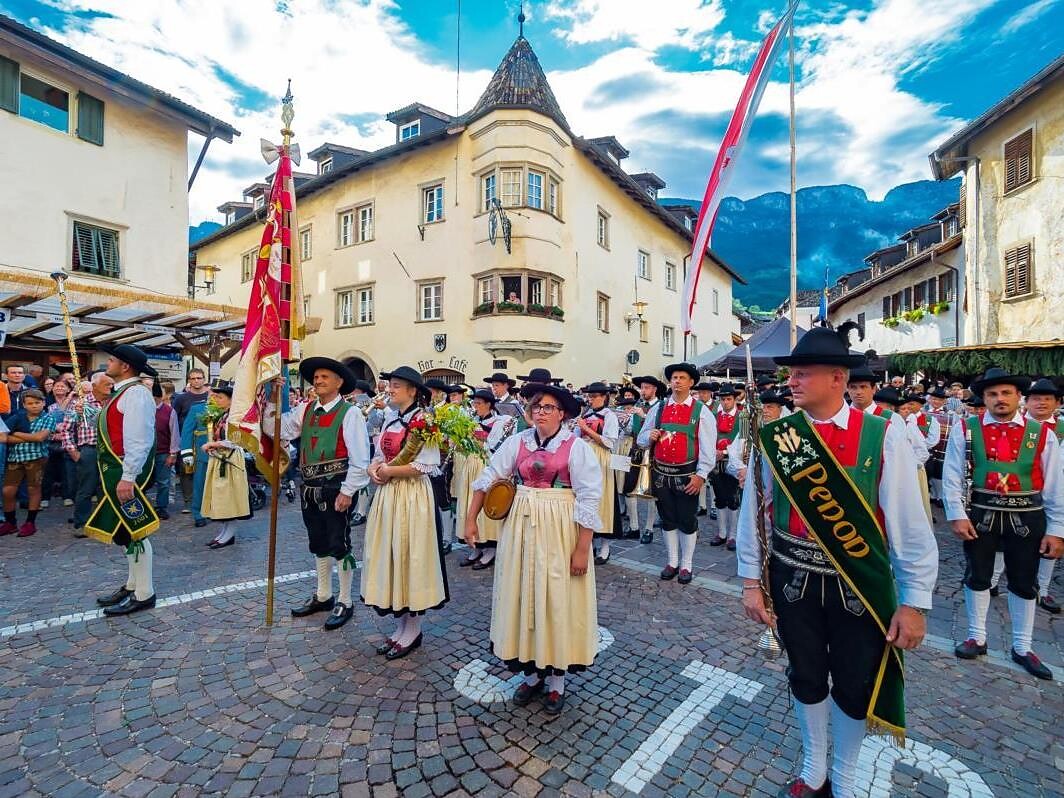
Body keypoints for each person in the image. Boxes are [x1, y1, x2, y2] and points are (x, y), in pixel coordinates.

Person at [737, 327, 938, 798]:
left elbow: (910, 524)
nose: (792, 381)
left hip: (857, 585)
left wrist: (915, 603)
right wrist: (750, 582)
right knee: (805, 676)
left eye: (803, 373)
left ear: (837, 378)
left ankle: (844, 775)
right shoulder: (779, 436)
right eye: (792, 374)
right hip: (792, 582)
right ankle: (814, 769)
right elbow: (755, 511)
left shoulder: (883, 435)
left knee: (853, 683)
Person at [464, 381, 602, 715]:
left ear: (563, 414)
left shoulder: (577, 447)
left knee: (556, 595)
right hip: (521, 528)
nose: (540, 412)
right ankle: (531, 672)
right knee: (524, 592)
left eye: (548, 407)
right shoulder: (517, 442)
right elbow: (489, 477)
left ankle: (556, 680)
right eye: (536, 407)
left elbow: (589, 497)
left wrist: (583, 548)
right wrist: (470, 520)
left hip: (560, 527)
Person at [946, 368, 1064, 680]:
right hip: (981, 515)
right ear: (984, 398)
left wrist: (1057, 529)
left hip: (1028, 516)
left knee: (1025, 582)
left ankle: (1023, 647)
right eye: (993, 394)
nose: (1000, 399)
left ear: (1018, 396)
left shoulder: (1042, 434)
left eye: (1006, 393)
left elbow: (1055, 485)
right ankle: (977, 637)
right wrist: (956, 513)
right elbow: (952, 474)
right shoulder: (966, 428)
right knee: (978, 575)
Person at [362, 366, 447, 659]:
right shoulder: (391, 419)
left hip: (412, 496)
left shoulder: (424, 421)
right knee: (393, 557)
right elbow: (378, 454)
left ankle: (414, 629)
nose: (391, 390)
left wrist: (388, 471)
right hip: (389, 495)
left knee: (410, 556)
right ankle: (401, 626)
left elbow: (427, 464)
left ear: (413, 390)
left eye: (396, 385)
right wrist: (374, 469)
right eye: (390, 385)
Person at [279, 358, 371, 631]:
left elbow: (360, 458)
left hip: (336, 487)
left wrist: (347, 491)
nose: (318, 381)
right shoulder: (305, 410)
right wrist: (270, 397)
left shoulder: (349, 413)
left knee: (339, 544)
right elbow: (279, 428)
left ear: (339, 382)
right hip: (309, 487)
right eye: (316, 377)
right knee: (317, 542)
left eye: (324, 377)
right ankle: (323, 595)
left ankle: (345, 600)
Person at [87, 345, 161, 617]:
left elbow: (138, 440)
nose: (108, 363)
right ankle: (133, 585)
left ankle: (145, 593)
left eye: (113, 360)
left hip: (125, 471)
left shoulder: (137, 394)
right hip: (116, 471)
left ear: (126, 366)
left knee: (136, 528)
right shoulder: (123, 393)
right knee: (126, 531)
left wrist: (129, 477)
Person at [637, 363, 717, 584]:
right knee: (668, 519)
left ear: (691, 383)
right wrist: (649, 436)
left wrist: (701, 475)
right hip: (661, 474)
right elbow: (641, 440)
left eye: (682, 378)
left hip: (688, 475)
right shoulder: (659, 408)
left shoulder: (701, 411)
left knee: (687, 520)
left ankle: (686, 565)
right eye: (674, 377)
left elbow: (708, 448)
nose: (677, 381)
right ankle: (672, 562)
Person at [1020, 378, 1063, 614]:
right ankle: (996, 581)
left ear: (1057, 403)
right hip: (1025, 491)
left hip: (1056, 491)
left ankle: (1043, 589)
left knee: (1052, 539)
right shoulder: (1016, 426)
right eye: (1036, 398)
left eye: (1048, 399)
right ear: (1026, 402)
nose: (1041, 403)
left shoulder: (1062, 428)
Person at [453, 389, 508, 569]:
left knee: (486, 504)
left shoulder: (500, 422)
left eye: (478, 403)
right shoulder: (472, 420)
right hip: (470, 464)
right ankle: (475, 546)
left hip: (486, 465)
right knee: (469, 502)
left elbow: (496, 446)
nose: (475, 407)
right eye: (474, 403)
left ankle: (490, 547)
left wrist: (479, 437)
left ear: (488, 405)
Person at [199, 380, 251, 550]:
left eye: (220, 397)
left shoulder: (234, 417)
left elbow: (235, 441)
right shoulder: (223, 415)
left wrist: (212, 445)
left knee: (230, 499)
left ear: (230, 400)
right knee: (223, 498)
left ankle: (229, 535)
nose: (217, 400)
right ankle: (224, 532)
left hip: (230, 460)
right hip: (221, 459)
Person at [0, 389, 59, 537]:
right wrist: (29, 437)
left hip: (36, 458)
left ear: (44, 403)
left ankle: (30, 522)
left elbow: (40, 437)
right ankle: (10, 522)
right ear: (24, 405)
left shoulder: (48, 418)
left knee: (33, 489)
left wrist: (17, 434)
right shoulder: (17, 417)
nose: (34, 406)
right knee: (8, 491)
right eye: (30, 403)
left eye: (37, 403)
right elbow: (4, 438)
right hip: (15, 458)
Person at [61, 373, 112, 537]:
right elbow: (66, 429)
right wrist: (73, 451)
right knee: (86, 488)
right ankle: (81, 523)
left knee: (107, 488)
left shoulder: (113, 402)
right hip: (89, 450)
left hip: (110, 451)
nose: (111, 387)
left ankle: (105, 522)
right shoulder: (79, 403)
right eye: (107, 384)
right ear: (95, 385)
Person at [575, 382, 619, 564]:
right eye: (589, 397)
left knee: (603, 500)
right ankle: (589, 542)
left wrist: (587, 430)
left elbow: (609, 442)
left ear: (604, 397)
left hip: (600, 459)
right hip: (584, 457)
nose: (590, 400)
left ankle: (605, 547)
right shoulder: (586, 414)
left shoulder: (610, 416)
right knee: (585, 498)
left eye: (594, 397)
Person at [627, 376, 665, 543]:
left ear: (655, 389)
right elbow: (631, 428)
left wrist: (643, 416)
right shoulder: (638, 405)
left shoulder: (661, 406)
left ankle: (648, 529)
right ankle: (634, 527)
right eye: (642, 387)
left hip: (652, 452)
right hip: (635, 449)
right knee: (628, 488)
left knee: (651, 492)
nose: (643, 391)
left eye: (647, 387)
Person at [171, 369, 209, 514]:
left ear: (204, 379)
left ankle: (203, 501)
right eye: (193, 378)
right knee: (186, 470)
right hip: (186, 438)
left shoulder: (210, 396)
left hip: (203, 439)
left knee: (203, 471)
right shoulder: (181, 398)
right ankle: (188, 501)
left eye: (199, 378)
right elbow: (174, 418)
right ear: (189, 380)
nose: (196, 381)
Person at [708, 386, 742, 550]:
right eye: (723, 399)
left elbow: (744, 441)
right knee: (719, 498)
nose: (725, 402)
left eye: (729, 399)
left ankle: (733, 535)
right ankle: (721, 533)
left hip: (733, 462)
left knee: (733, 500)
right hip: (716, 463)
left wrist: (724, 451)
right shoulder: (714, 416)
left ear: (735, 399)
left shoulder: (742, 418)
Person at [180, 392, 214, 529]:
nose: (215, 396)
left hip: (222, 453)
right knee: (200, 484)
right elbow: (187, 430)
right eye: (213, 393)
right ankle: (198, 513)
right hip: (202, 452)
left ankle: (215, 511)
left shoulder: (227, 409)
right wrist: (186, 451)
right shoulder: (197, 408)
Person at [41, 377, 76, 509]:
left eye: (63, 386)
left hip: (69, 441)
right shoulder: (48, 404)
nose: (59, 388)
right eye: (57, 386)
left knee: (67, 470)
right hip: (50, 440)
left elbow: (76, 423)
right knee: (48, 470)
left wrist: (64, 433)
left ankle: (67, 496)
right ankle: (45, 497)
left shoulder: (75, 403)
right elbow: (48, 421)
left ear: (68, 389)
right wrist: (53, 434)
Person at [148, 381, 180, 521]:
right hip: (145, 453)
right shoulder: (142, 409)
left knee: (163, 482)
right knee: (142, 481)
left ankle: (161, 507)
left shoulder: (169, 411)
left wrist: (173, 453)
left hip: (162, 452)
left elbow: (174, 433)